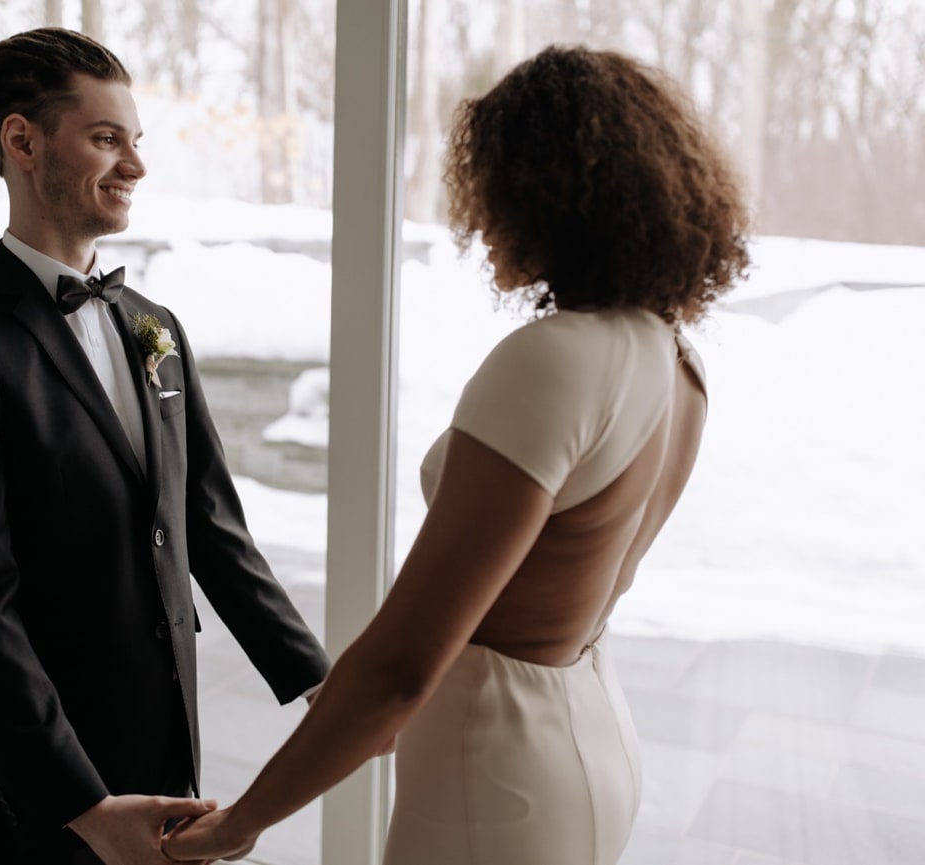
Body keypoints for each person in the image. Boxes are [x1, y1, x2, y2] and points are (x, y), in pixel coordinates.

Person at [162, 45, 750, 865]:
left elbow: (401, 666)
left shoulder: (556, 359)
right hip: (585, 728)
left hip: (498, 773)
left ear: (541, 192)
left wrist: (240, 822)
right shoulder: (676, 359)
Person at [0, 24, 332, 865]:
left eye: (136, 141)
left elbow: (209, 527)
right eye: (105, 138)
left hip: (160, 752)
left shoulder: (155, 328)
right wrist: (82, 806)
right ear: (21, 141)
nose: (136, 163)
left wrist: (321, 683)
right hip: (25, 787)